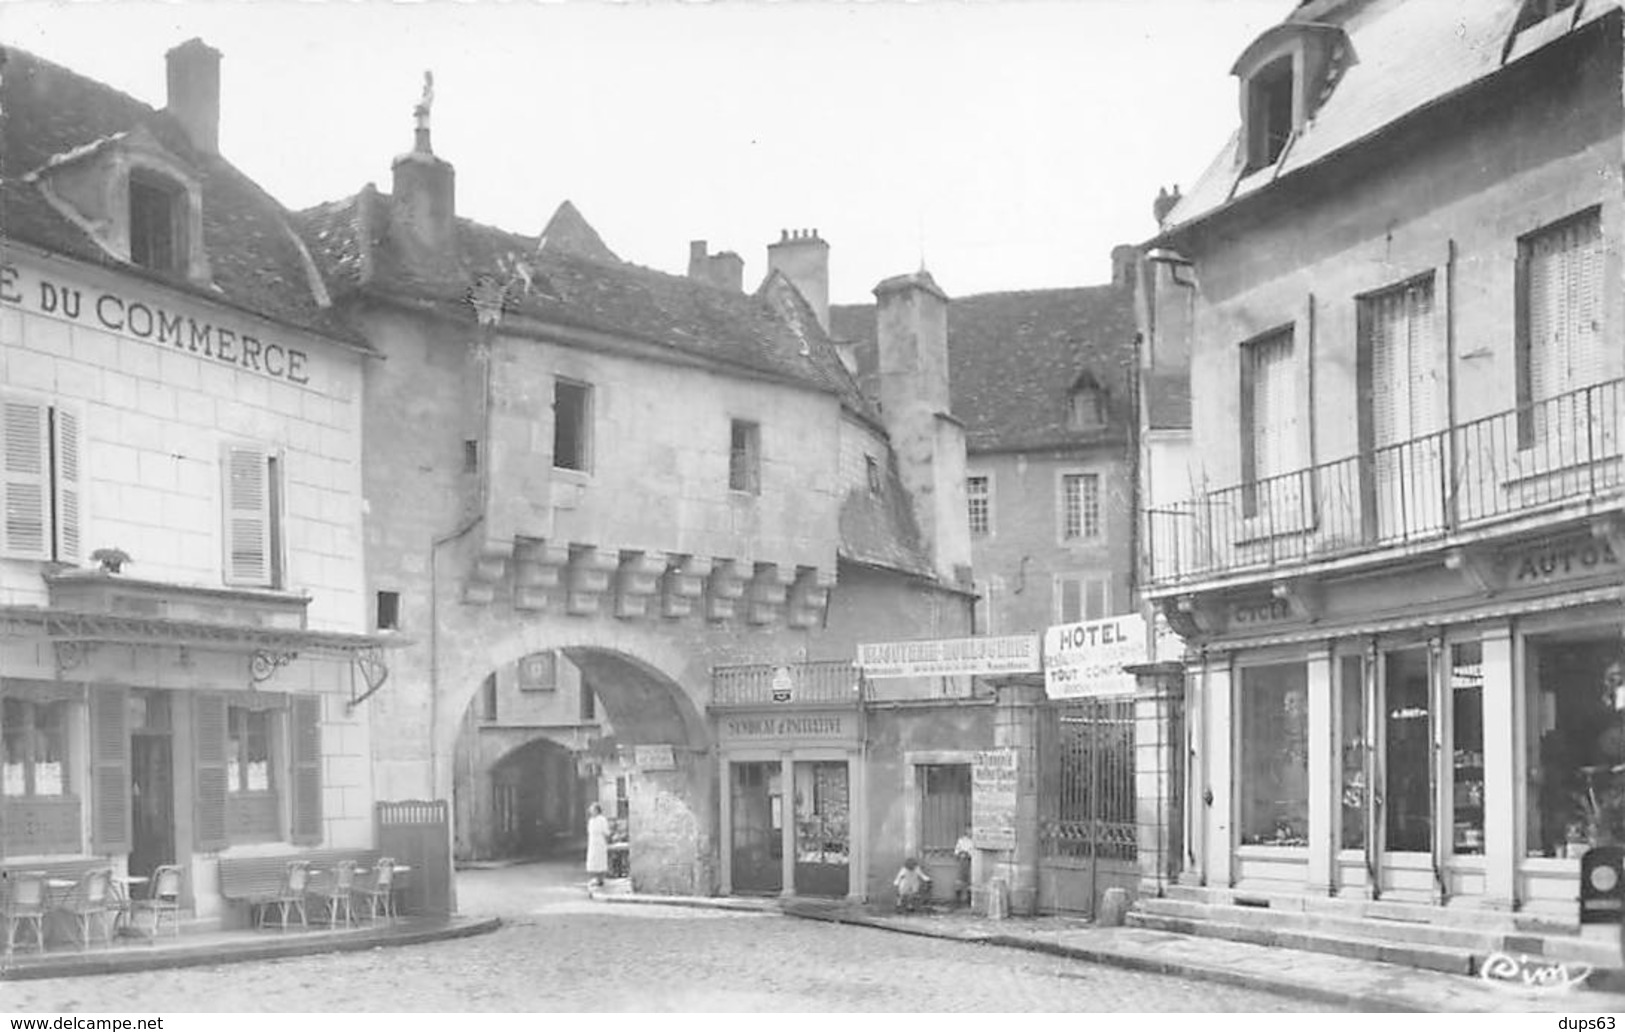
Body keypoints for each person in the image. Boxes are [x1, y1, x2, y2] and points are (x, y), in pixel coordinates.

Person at [584, 803, 610, 888]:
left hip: (600, 842)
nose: (592, 812)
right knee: (593, 860)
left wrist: (606, 840)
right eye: (591, 810)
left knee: (600, 860)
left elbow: (606, 832)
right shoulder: (591, 821)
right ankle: (596, 878)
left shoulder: (602, 820)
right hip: (592, 842)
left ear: (597, 811)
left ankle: (601, 878)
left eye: (593, 810)